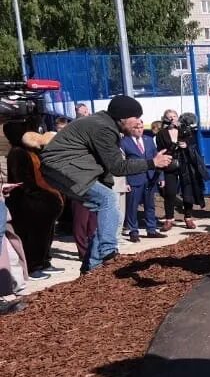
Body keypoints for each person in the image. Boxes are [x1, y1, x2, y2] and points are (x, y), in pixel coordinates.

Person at [39, 95, 173, 273]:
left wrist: (107, 182)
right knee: (108, 200)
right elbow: (118, 166)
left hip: (67, 167)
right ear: (122, 117)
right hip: (60, 166)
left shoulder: (104, 124)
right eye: (136, 118)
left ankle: (92, 266)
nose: (139, 122)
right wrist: (152, 163)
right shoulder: (103, 128)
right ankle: (109, 252)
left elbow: (103, 162)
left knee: (109, 215)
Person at [3, 120, 64, 278]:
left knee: (45, 234)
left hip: (42, 202)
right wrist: (42, 196)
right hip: (28, 204)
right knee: (32, 236)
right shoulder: (17, 152)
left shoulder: (31, 150)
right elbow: (23, 181)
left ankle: (44, 260)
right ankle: (33, 266)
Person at [155, 110, 210, 230]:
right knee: (169, 193)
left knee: (187, 192)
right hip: (170, 164)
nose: (172, 119)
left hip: (185, 163)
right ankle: (169, 219)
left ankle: (188, 217)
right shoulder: (161, 134)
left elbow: (193, 145)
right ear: (165, 119)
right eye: (169, 117)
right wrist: (173, 146)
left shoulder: (185, 131)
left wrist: (186, 145)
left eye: (174, 116)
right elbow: (160, 150)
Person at [120, 118, 165, 241]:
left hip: (150, 178)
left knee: (150, 205)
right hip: (134, 179)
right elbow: (121, 164)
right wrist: (125, 182)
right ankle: (133, 231)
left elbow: (157, 158)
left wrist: (160, 176)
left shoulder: (149, 140)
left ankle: (151, 229)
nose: (139, 130)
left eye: (141, 127)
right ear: (130, 129)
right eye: (136, 128)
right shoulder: (124, 142)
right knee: (132, 206)